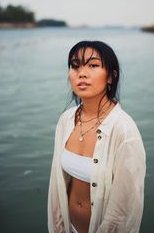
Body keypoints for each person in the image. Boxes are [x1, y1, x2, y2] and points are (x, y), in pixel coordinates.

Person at [48, 40, 146, 233]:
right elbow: (56, 186)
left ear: (111, 76)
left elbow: (125, 210)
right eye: (75, 66)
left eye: (93, 65)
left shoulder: (124, 131)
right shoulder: (67, 120)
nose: (81, 73)